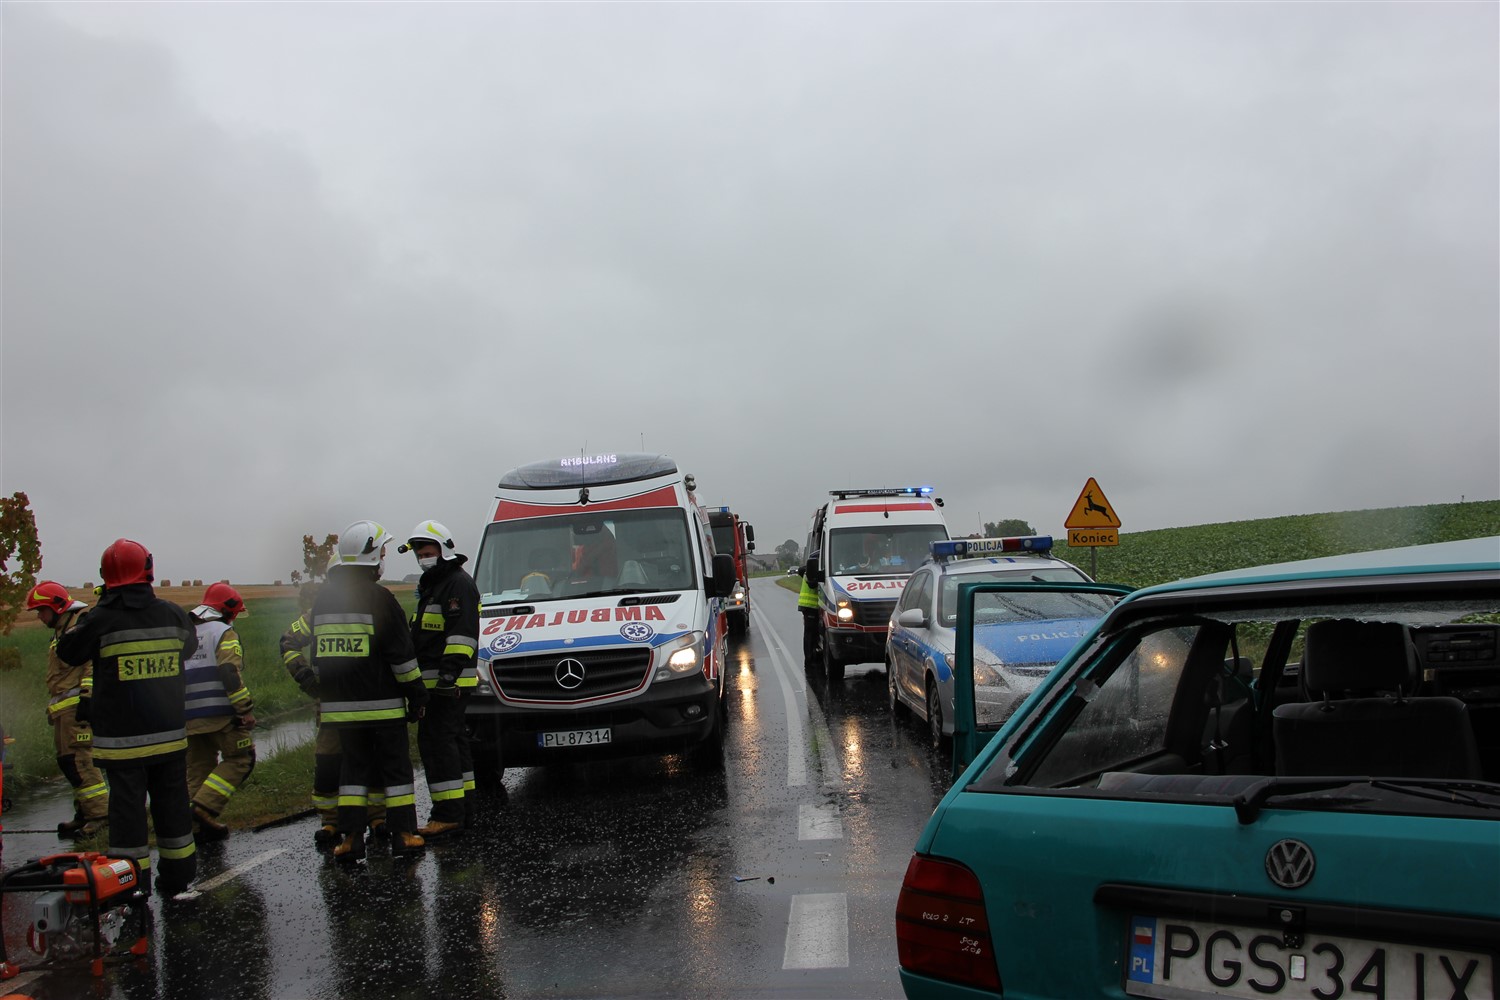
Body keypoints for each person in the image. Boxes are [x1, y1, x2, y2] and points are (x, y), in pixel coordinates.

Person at [56, 539, 198, 898]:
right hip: (169, 737)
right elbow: (190, 647)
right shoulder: (173, 614)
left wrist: (100, 607)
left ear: (106, 578)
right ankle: (179, 878)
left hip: (123, 744)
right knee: (173, 809)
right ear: (148, 571)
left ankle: (132, 886)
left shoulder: (100, 620)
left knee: (128, 816)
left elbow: (69, 651)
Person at [312, 521, 428, 862]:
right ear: (372, 556)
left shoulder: (324, 601)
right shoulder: (381, 598)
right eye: (383, 552)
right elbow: (401, 656)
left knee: (352, 770)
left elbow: (318, 658)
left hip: (341, 710)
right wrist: (417, 695)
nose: (384, 559)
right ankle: (404, 834)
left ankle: (350, 839)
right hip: (383, 707)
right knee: (396, 770)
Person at [280, 586, 389, 848]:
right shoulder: (316, 614)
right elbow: (288, 641)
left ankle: (377, 817)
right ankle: (331, 821)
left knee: (373, 756)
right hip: (332, 702)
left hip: (368, 700)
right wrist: (305, 676)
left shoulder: (371, 609)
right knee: (329, 760)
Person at [398, 520, 480, 838]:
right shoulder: (438, 584)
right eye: (419, 554)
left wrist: (448, 675)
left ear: (443, 550)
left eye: (428, 552)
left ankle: (447, 814)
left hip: (448, 683)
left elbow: (462, 635)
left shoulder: (456, 584)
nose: (423, 558)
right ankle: (464, 809)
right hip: (442, 682)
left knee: (436, 745)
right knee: (453, 742)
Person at [26, 581, 110, 837]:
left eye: (42, 610)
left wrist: (86, 699)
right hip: (65, 711)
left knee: (81, 761)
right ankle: (85, 812)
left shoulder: (76, 630)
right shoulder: (62, 632)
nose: (40, 617)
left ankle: (100, 815)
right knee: (69, 763)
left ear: (56, 607)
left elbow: (90, 665)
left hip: (76, 710)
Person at [183, 583, 257, 841]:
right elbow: (229, 673)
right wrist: (244, 710)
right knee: (242, 758)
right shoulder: (224, 632)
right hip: (220, 714)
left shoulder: (187, 632)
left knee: (198, 768)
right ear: (228, 611)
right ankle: (203, 809)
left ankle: (196, 829)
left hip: (187, 715)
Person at [797, 567, 820, 670]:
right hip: (810, 605)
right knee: (810, 633)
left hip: (810, 606)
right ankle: (809, 660)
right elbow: (812, 584)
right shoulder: (812, 571)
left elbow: (800, 570)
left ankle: (813, 655)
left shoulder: (808, 571)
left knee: (813, 632)